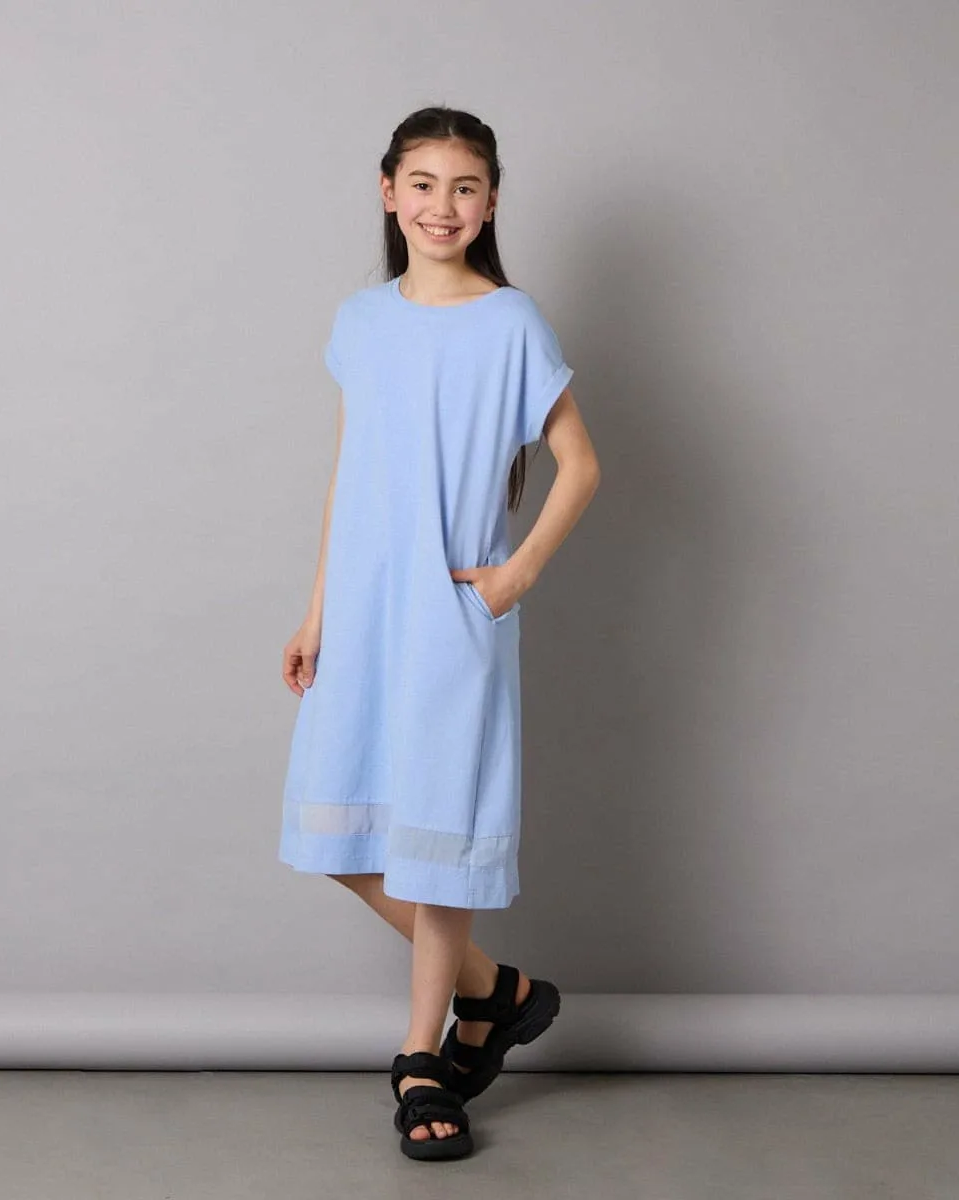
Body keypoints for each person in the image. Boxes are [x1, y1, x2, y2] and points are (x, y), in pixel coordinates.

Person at [278, 106, 601, 1161]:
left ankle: (422, 1057)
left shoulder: (511, 322)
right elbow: (351, 471)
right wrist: (318, 613)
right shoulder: (360, 320)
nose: (442, 206)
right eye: (422, 184)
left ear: (492, 201)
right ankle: (495, 992)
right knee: (340, 835)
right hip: (364, 608)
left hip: (455, 612)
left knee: (437, 844)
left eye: (464, 187)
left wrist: (513, 577)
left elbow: (580, 464)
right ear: (388, 193)